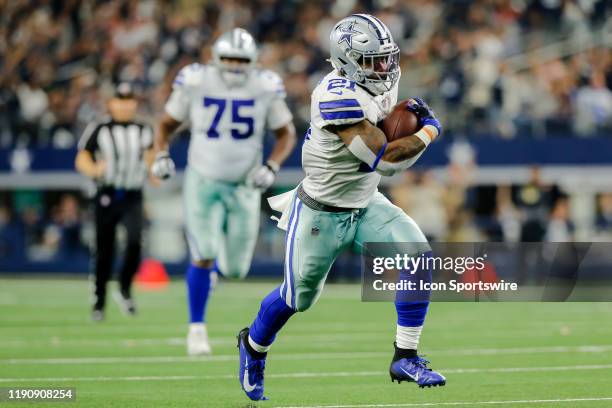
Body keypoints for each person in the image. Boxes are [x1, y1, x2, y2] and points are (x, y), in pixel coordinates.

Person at [236, 14, 446, 401]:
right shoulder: (334, 95)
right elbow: (383, 159)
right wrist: (429, 129)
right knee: (297, 298)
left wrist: (405, 119)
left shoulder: (383, 77)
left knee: (418, 257)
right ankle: (253, 346)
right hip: (321, 211)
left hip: (365, 202)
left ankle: (406, 355)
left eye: (387, 58)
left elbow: (385, 125)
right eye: (373, 61)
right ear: (347, 61)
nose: (384, 68)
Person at [151, 28, 296, 356]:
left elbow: (286, 133)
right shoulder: (196, 81)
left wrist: (271, 166)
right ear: (215, 59)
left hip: (244, 185)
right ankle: (196, 328)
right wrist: (160, 154)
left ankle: (210, 276)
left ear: (253, 61)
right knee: (203, 252)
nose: (233, 66)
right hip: (202, 180)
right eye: (228, 58)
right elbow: (165, 124)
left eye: (240, 60)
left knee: (235, 269)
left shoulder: (264, 86)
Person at [75, 83, 154, 321]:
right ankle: (99, 302)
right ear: (111, 103)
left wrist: (155, 171)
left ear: (134, 103)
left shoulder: (143, 128)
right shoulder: (99, 127)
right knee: (104, 250)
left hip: (133, 194)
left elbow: (150, 155)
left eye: (129, 100)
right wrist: (94, 170)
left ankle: (124, 288)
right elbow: (82, 156)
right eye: (120, 100)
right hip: (107, 194)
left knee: (134, 243)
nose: (125, 105)